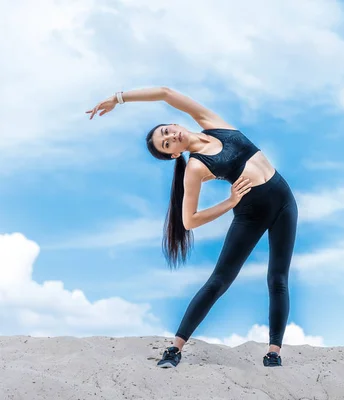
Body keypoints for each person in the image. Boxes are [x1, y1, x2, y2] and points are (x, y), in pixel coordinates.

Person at [86, 87, 298, 368]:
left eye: (165, 132)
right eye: (166, 144)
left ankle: (274, 352)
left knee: (278, 279)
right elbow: (189, 220)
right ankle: (175, 349)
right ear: (174, 155)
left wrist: (119, 98)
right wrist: (230, 201)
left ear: (173, 125)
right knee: (219, 281)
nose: (170, 137)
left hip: (285, 201)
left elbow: (164, 92)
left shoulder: (213, 123)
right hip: (251, 212)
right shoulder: (195, 168)